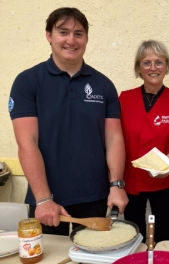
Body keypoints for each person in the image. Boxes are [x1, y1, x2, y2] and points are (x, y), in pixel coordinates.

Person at [8, 7, 128, 236]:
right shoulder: (27, 82)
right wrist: (43, 199)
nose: (71, 40)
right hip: (47, 202)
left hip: (95, 199)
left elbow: (114, 138)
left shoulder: (104, 85)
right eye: (63, 32)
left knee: (91, 259)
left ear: (86, 39)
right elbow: (27, 143)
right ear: (49, 36)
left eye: (78, 33)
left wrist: (116, 185)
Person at [119, 40, 169, 243]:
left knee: (164, 236)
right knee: (134, 236)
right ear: (138, 68)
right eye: (146, 62)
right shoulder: (124, 98)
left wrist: (166, 167)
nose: (153, 68)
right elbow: (116, 140)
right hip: (131, 180)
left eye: (159, 62)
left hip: (163, 181)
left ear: (166, 67)